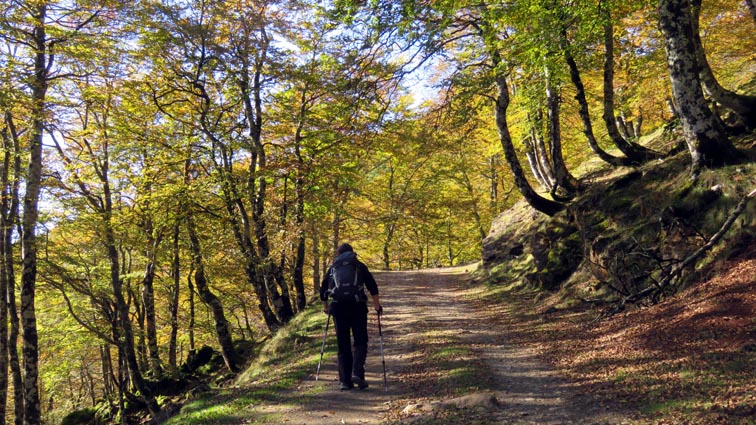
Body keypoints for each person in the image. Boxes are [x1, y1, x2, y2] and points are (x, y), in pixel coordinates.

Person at [320, 243, 382, 390]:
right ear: (352, 253)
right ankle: (358, 373)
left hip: (338, 307)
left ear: (338, 254)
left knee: (343, 344)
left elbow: (323, 290)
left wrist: (326, 307)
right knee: (360, 341)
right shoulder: (359, 266)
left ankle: (345, 381)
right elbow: (372, 285)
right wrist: (376, 305)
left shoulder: (333, 268)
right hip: (357, 306)